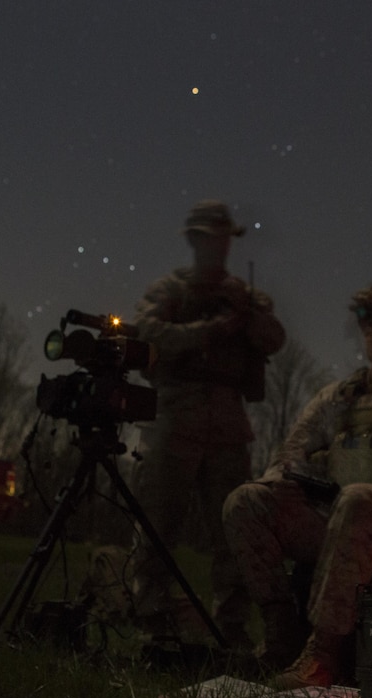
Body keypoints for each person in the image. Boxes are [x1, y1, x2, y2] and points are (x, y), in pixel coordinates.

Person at [222, 282, 372, 685]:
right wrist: (282, 481)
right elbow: (291, 452)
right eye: (366, 324)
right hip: (335, 520)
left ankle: (324, 652)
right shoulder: (341, 396)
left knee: (358, 501)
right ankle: (281, 634)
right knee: (247, 501)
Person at [129, 199, 286, 647]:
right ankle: (153, 620)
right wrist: (208, 330)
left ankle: (231, 627)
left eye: (222, 238)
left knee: (231, 528)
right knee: (158, 522)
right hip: (173, 413)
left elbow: (274, 337)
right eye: (208, 237)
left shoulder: (244, 295)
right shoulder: (169, 289)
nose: (216, 246)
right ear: (194, 240)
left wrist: (244, 316)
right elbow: (146, 332)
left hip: (226, 420)